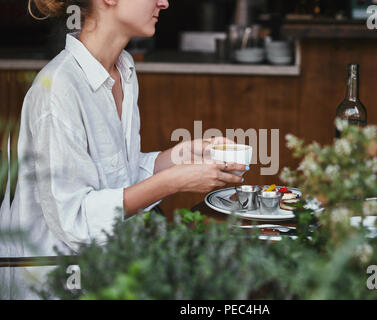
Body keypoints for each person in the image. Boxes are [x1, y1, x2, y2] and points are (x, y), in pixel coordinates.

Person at [3, 0, 247, 299]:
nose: (164, 2)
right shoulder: (58, 89)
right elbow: (76, 219)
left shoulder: (124, 70)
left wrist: (179, 157)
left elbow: (116, 174)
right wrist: (174, 182)